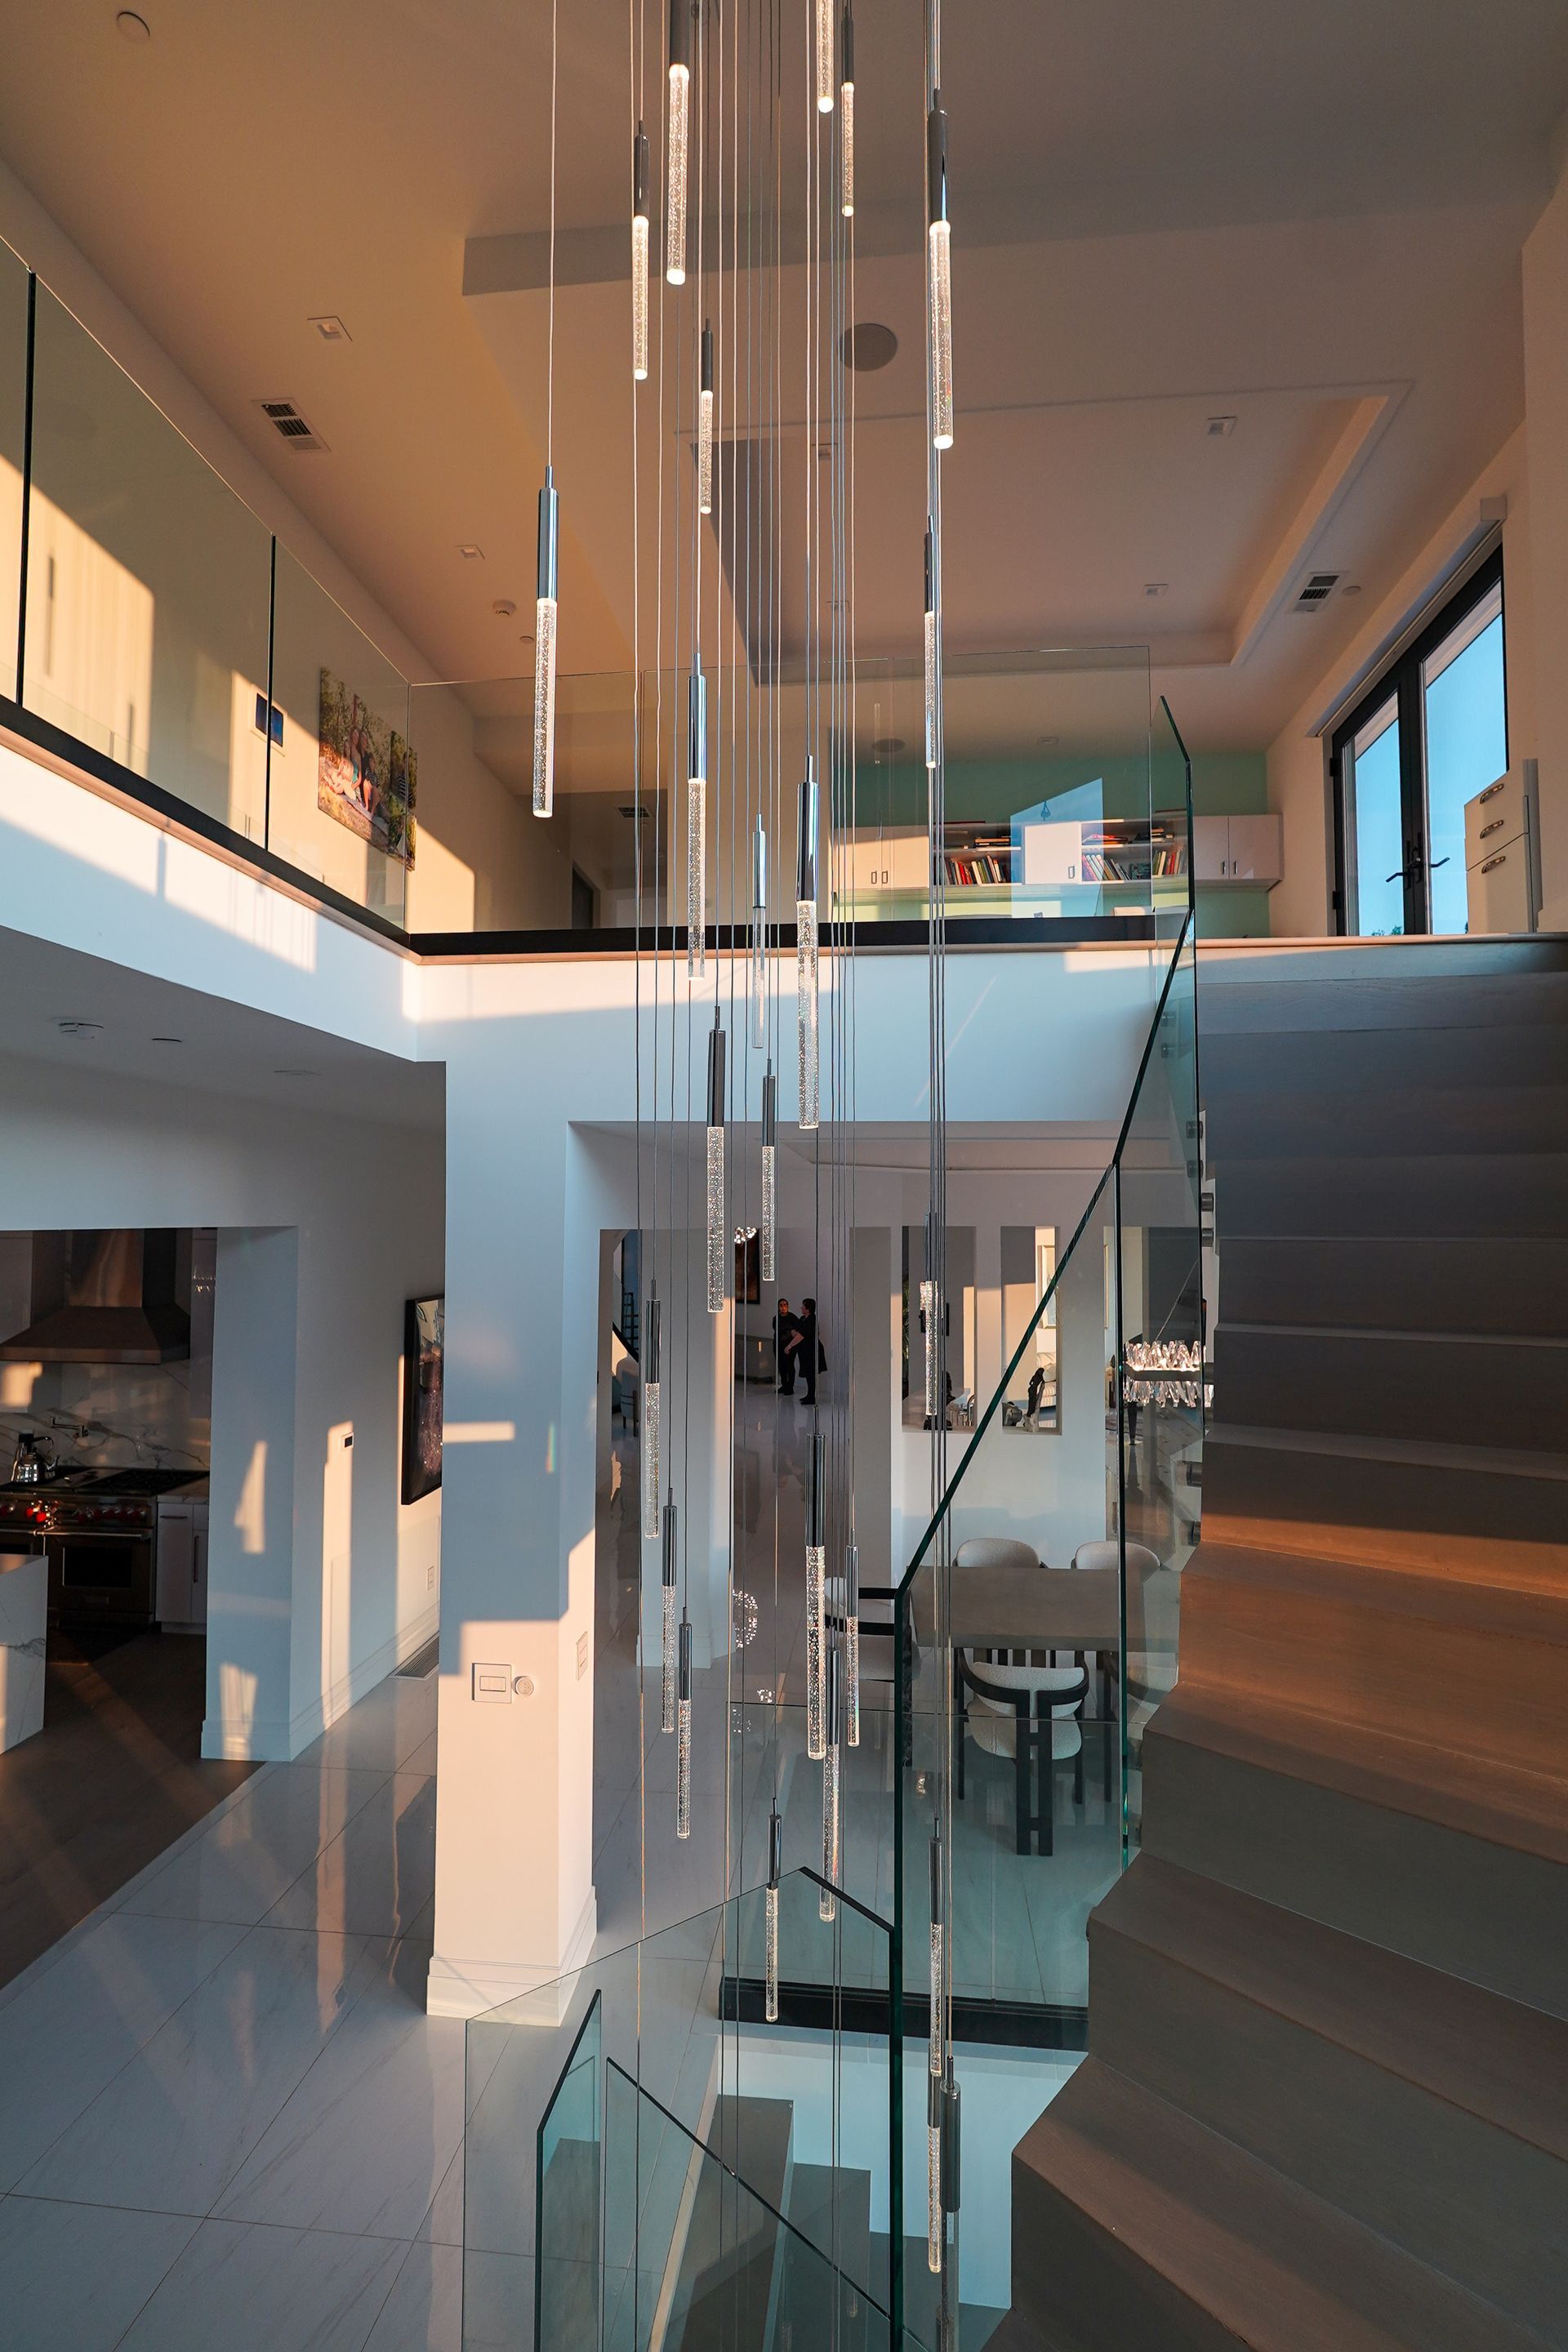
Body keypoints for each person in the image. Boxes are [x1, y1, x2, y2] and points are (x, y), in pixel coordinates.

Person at [796, 1296, 824, 1405]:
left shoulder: (812, 1319)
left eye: (803, 1306)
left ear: (808, 1308)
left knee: (811, 1374)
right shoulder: (803, 1319)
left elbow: (801, 1335)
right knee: (809, 1374)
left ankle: (811, 1396)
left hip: (812, 1351)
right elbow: (798, 1330)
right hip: (806, 1350)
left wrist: (789, 1346)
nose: (801, 1308)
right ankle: (809, 1395)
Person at [774, 1298, 800, 1393]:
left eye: (785, 1305)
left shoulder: (793, 1318)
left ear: (788, 1306)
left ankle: (790, 1387)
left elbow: (797, 1332)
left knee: (789, 1365)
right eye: (781, 1305)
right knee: (781, 1366)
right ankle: (784, 1385)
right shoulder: (776, 1318)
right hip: (779, 1345)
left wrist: (791, 1345)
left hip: (790, 1346)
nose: (783, 1307)